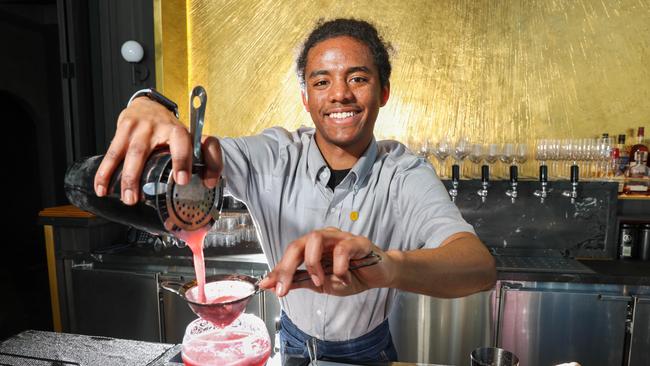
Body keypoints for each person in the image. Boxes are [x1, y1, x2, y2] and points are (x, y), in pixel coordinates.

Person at [94, 18, 496, 363]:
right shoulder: (273, 155)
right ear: (306, 98)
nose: (340, 93)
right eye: (322, 81)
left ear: (383, 92)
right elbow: (206, 154)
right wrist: (150, 104)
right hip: (290, 345)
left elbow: (478, 267)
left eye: (357, 78)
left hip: (366, 352)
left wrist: (388, 267)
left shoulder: (403, 174)